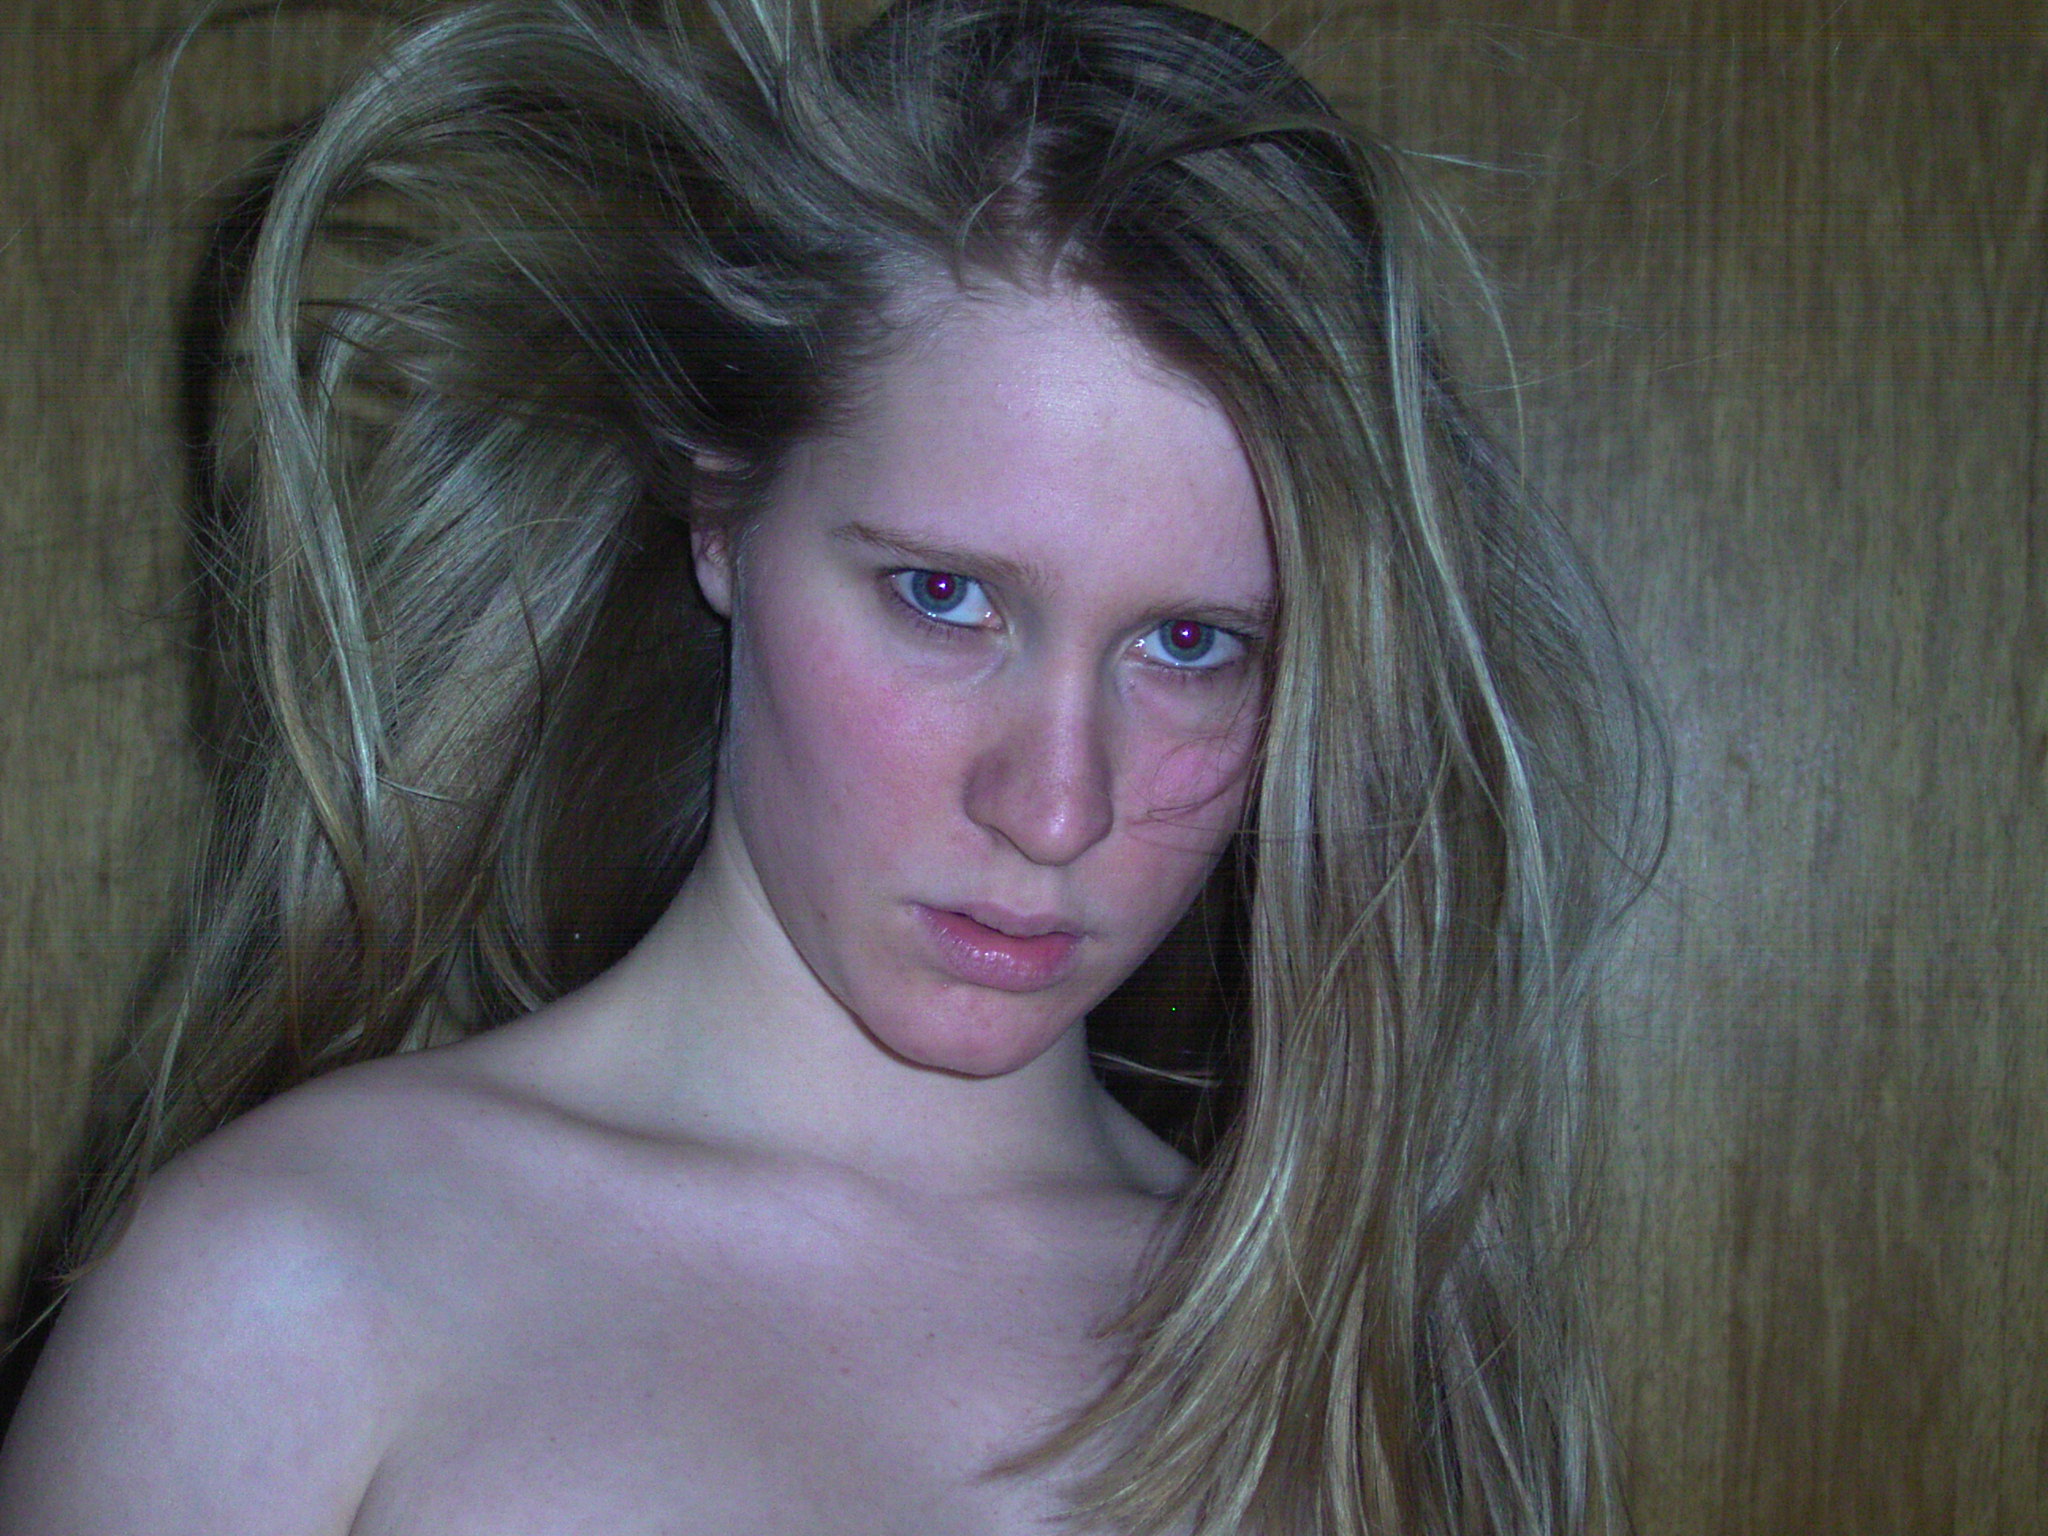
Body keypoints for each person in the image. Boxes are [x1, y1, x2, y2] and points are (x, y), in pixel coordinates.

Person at [0, 0, 1660, 1530]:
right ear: (724, 510)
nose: (1055, 807)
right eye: (945, 598)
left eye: (1190, 644)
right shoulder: (290, 1293)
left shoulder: (1354, 1370)